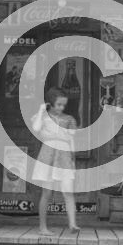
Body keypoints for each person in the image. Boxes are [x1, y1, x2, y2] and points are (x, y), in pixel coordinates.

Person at [31, 87, 80, 235]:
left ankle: (72, 224)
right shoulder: (43, 118)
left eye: (63, 105)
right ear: (50, 104)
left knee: (68, 191)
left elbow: (71, 140)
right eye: (58, 104)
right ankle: (43, 227)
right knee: (47, 192)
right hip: (47, 156)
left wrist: (73, 161)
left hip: (64, 157)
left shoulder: (69, 119)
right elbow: (36, 128)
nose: (62, 107)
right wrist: (41, 110)